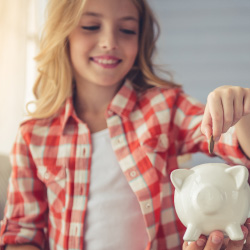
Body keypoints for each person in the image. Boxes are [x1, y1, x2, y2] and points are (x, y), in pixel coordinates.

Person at [0, 0, 250, 249]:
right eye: (90, 26)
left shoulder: (166, 107)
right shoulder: (33, 135)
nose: (109, 41)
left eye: (127, 30)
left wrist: (241, 111)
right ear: (62, 33)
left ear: (140, 40)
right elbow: (23, 234)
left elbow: (234, 144)